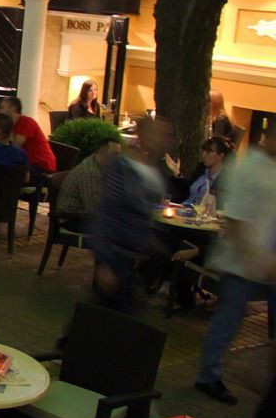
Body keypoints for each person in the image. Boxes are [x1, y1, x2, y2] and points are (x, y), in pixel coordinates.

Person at [194, 119, 276, 405]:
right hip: (244, 261)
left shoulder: (267, 168)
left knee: (232, 318)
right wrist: (258, 259)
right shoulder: (250, 169)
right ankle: (208, 375)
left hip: (261, 259)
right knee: (228, 319)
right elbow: (237, 220)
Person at [91, 117, 176, 313]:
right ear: (144, 135)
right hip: (117, 254)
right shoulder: (120, 166)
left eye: (168, 136)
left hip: (138, 258)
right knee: (104, 313)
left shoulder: (159, 170)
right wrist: (104, 261)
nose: (164, 140)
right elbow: (106, 213)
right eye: (159, 134)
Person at [55, 137, 121, 232]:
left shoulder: (97, 165)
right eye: (114, 154)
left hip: (84, 216)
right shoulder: (90, 172)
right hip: (72, 219)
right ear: (102, 152)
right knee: (120, 231)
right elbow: (93, 208)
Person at [0, 96, 56, 176]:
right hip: (27, 163)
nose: (0, 111)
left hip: (41, 165)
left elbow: (16, 145)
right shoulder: (15, 123)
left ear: (13, 108)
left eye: (3, 107)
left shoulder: (26, 122)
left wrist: (9, 126)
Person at [183, 136, 231, 207]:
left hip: (202, 212)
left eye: (208, 152)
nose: (203, 155)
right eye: (203, 151)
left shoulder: (225, 179)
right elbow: (186, 190)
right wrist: (177, 173)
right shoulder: (201, 168)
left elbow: (219, 205)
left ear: (221, 155)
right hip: (184, 207)